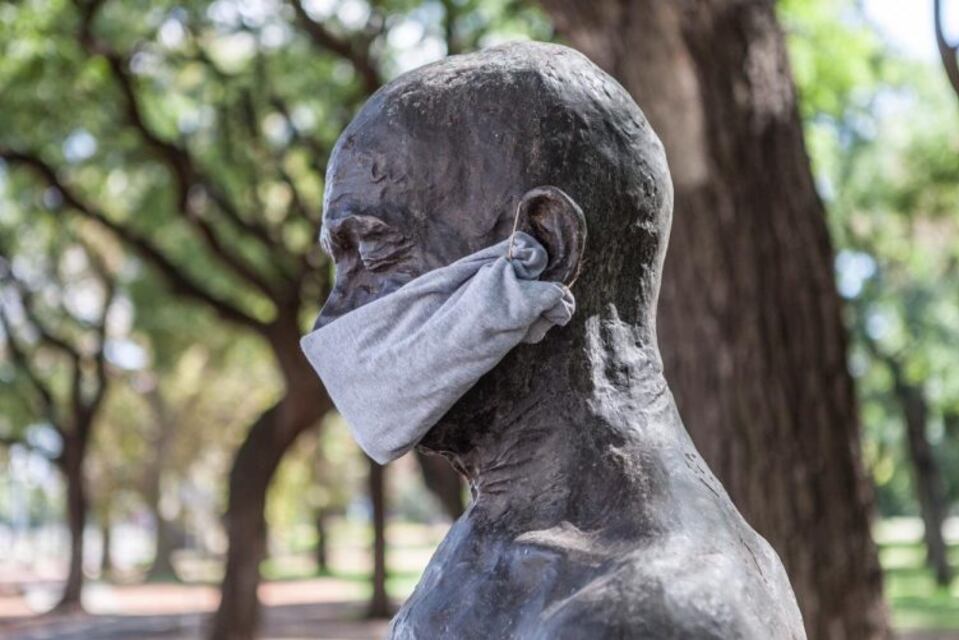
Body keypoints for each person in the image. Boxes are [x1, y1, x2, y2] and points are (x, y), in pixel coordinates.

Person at [311, 41, 805, 639]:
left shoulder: (645, 612)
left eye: (372, 249)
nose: (332, 320)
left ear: (546, 244)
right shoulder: (492, 537)